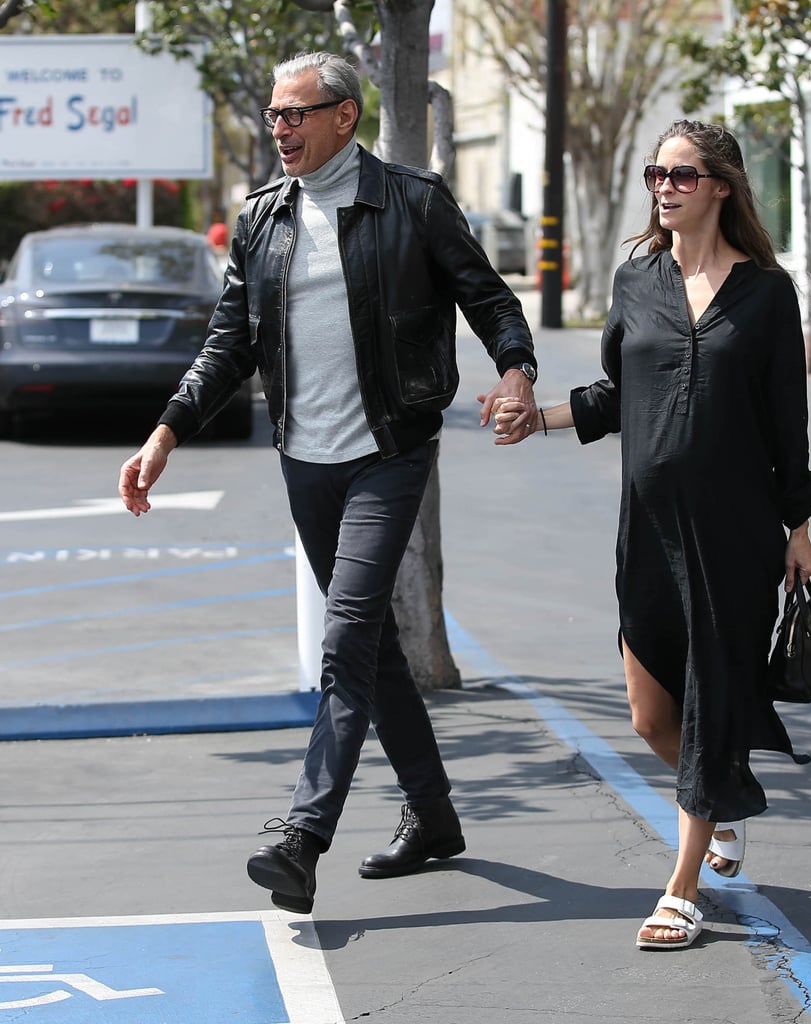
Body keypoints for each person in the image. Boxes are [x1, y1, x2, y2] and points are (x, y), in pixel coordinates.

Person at [118, 51, 539, 915]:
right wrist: (166, 433)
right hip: (304, 460)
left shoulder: (413, 202)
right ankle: (434, 816)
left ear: (344, 115)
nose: (280, 128)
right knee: (373, 646)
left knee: (346, 636)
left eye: (295, 113)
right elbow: (228, 340)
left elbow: (490, 299)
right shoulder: (263, 218)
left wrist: (519, 371)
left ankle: (303, 835)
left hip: (389, 450)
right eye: (274, 115)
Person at [492, 119, 811, 950]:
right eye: (655, 175)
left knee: (710, 699)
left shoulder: (768, 295)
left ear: (720, 187)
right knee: (649, 714)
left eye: (680, 175)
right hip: (648, 527)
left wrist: (799, 524)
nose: (664, 188)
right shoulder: (639, 278)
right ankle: (721, 796)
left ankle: (681, 890)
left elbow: (788, 423)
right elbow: (613, 389)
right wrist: (540, 418)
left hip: (735, 534)